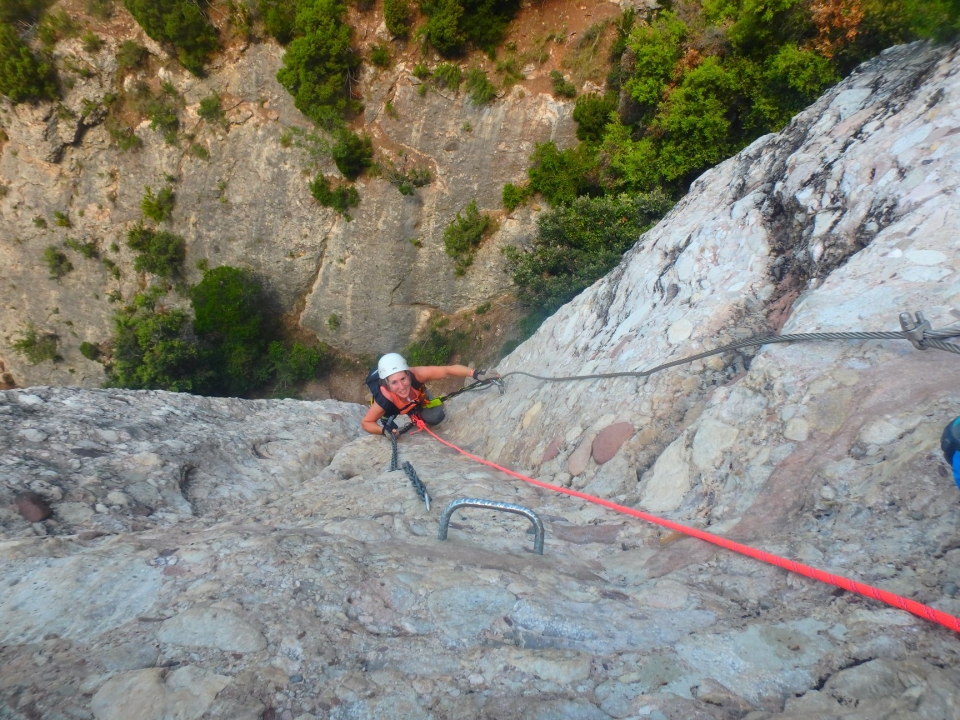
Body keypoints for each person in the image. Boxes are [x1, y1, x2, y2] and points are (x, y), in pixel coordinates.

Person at [361, 352, 498, 436]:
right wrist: (383, 430)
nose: (401, 386)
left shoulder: (417, 375)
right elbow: (366, 422)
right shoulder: (385, 399)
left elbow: (447, 370)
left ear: (408, 374)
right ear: (387, 384)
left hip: (415, 397)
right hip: (393, 407)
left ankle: (414, 410)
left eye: (403, 379)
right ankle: (400, 413)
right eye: (394, 383)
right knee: (391, 423)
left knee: (436, 416)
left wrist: (476, 374)